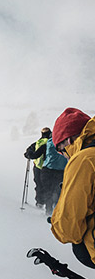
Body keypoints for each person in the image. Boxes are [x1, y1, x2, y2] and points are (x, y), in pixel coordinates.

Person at [50, 107, 95, 269]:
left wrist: (57, 224)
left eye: (61, 151)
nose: (65, 156)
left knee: (80, 248)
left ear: (68, 141)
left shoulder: (84, 159)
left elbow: (68, 231)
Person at [23, 127, 52, 208]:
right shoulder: (52, 142)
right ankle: (49, 205)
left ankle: (40, 202)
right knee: (49, 187)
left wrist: (28, 155)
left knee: (39, 185)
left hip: (38, 167)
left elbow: (30, 152)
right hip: (49, 168)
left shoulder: (38, 142)